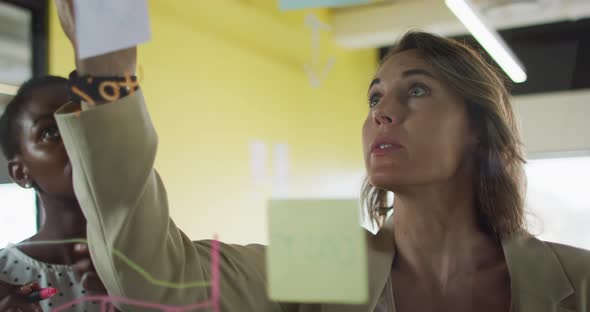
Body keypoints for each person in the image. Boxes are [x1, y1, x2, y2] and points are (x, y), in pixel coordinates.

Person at [53, 0, 590, 311]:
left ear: (478, 129)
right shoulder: (325, 257)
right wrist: (109, 73)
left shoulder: (576, 279)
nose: (382, 112)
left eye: (418, 90)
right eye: (374, 96)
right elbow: (153, 280)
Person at [0, 76, 114, 312]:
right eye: (50, 131)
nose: (78, 137)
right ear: (21, 172)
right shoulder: (5, 275)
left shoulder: (150, 263)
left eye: (86, 122)